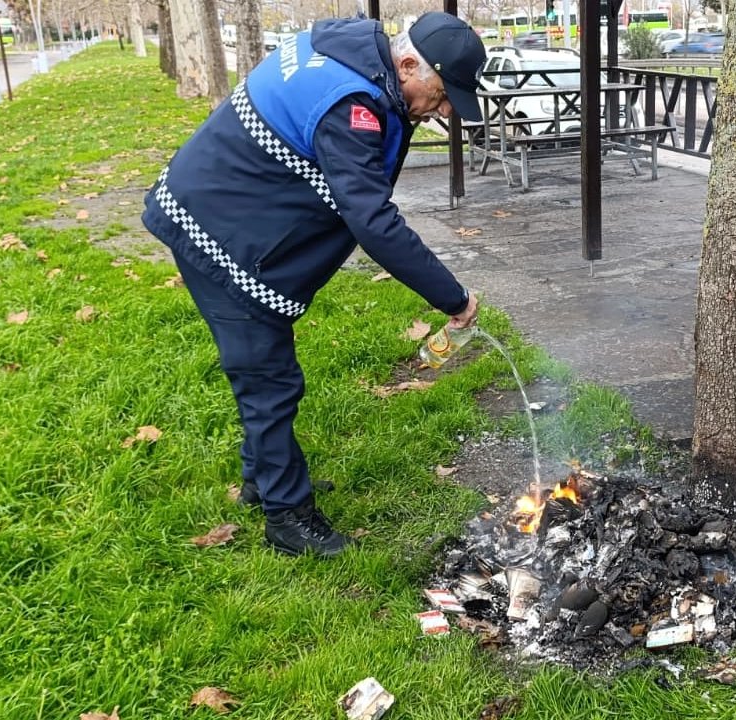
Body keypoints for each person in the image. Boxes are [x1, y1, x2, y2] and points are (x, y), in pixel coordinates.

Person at [141, 13, 486, 557]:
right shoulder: (350, 105)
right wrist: (454, 296)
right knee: (268, 379)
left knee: (268, 368)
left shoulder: (353, 51)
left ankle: (261, 481)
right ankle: (287, 518)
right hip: (216, 227)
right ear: (409, 63)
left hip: (232, 210)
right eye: (442, 96)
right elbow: (372, 219)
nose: (443, 112)